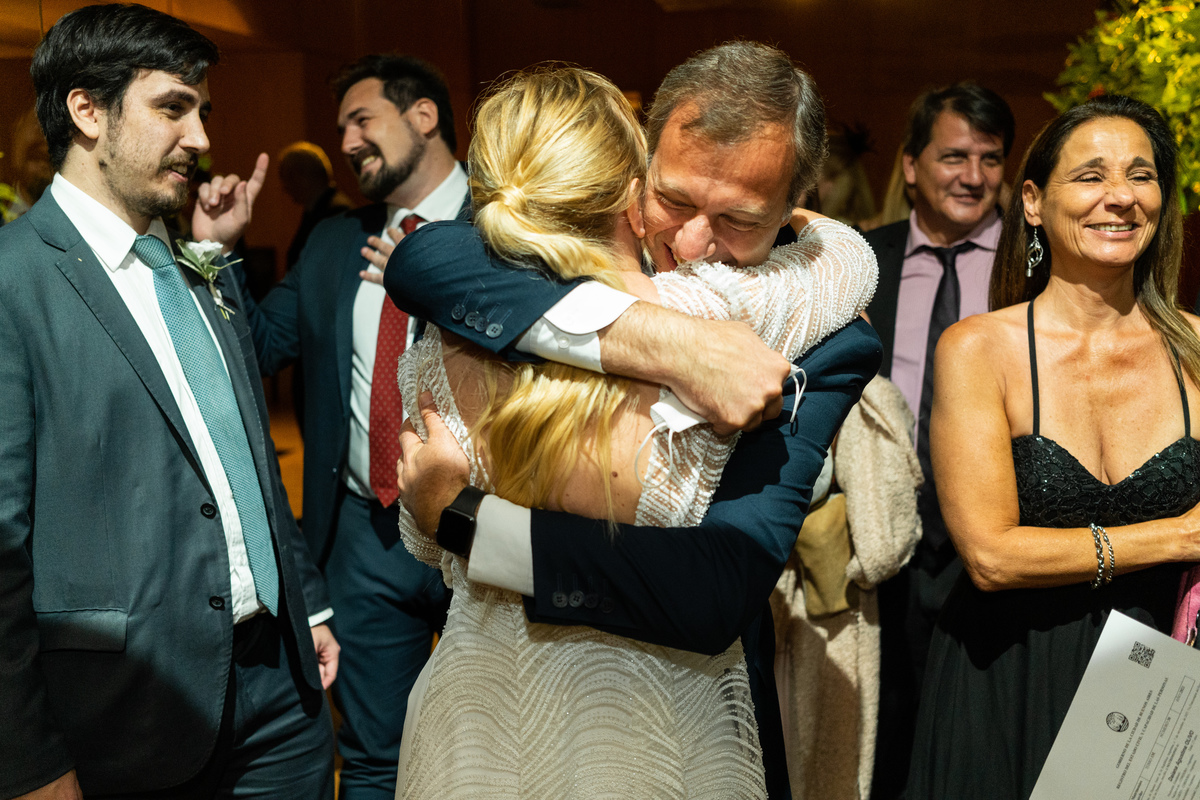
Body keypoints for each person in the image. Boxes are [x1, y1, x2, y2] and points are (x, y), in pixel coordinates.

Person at [380, 41, 883, 798]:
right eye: (674, 201)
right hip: (482, 718)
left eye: (740, 219)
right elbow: (426, 259)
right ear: (636, 171)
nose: (692, 244)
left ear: (793, 206)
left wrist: (466, 522)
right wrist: (670, 342)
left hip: (666, 723)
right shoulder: (518, 263)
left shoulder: (829, 337)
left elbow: (714, 588)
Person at [0, 5, 337, 798]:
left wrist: (310, 605)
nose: (200, 138)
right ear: (88, 111)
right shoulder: (14, 280)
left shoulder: (195, 266)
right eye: (173, 108)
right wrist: (28, 760)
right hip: (131, 708)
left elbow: (247, 449)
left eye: (202, 112)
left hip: (280, 696)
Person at [907, 94, 1200, 799]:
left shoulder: (1195, 349)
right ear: (1033, 202)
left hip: (1158, 686)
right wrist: (1177, 538)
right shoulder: (979, 349)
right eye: (1091, 176)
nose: (1120, 196)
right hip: (1007, 679)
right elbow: (990, 556)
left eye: (1141, 175)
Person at [227, 54, 461, 800]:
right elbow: (259, 347)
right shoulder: (333, 242)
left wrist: (436, 282)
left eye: (362, 121)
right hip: (364, 536)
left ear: (423, 116)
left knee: (495, 747)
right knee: (370, 756)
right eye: (340, 130)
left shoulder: (504, 228)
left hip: (481, 531)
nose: (348, 143)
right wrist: (219, 252)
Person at [860, 81, 1016, 799]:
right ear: (911, 165)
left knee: (981, 744)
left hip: (997, 541)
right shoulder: (865, 263)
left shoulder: (1034, 266)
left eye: (991, 158)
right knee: (887, 741)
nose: (973, 176)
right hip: (885, 543)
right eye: (954, 156)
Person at [277, 141, 353, 269]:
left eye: (288, 177)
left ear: (304, 176)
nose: (284, 187)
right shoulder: (317, 209)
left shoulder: (336, 213)